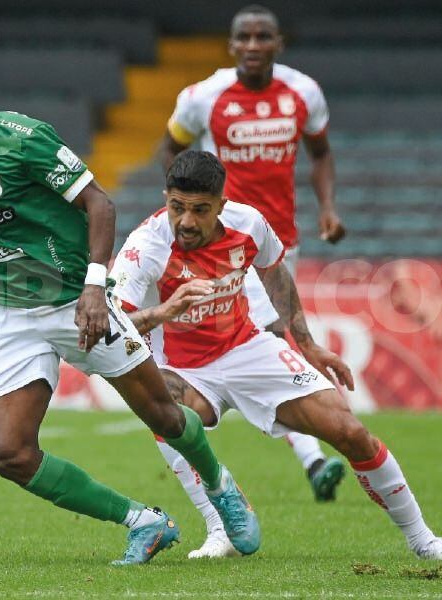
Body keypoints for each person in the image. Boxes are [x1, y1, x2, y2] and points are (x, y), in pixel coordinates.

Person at [0, 51, 260, 565]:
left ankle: (221, 485)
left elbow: (100, 203)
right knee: (10, 454)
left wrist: (96, 290)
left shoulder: (24, 140)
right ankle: (143, 522)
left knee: (162, 413)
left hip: (77, 302)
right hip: (10, 317)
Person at [111, 150, 442, 561]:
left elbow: (274, 272)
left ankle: (423, 540)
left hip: (249, 349)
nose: (186, 221)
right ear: (166, 198)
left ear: (222, 205)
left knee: (350, 432)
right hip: (183, 366)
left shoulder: (248, 224)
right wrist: (165, 311)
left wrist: (307, 344)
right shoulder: (146, 246)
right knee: (161, 407)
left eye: (200, 210)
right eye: (177, 207)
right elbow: (111, 323)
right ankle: (221, 528)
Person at [158, 4, 346, 519]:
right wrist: (179, 215)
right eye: (245, 36)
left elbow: (322, 153)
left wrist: (328, 208)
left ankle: (300, 450)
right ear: (232, 44)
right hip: (223, 245)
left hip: (279, 239)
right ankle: (312, 458)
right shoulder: (202, 98)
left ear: (278, 43)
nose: (254, 45)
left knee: (265, 340)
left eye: (264, 36)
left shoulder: (303, 93)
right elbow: (171, 151)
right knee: (271, 336)